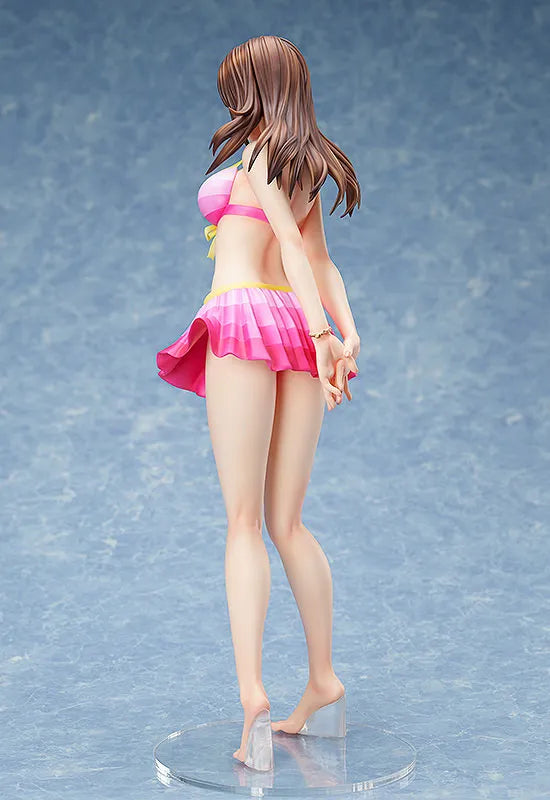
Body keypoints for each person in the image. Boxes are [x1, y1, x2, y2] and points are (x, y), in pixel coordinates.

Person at [156, 34, 361, 771]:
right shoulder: (309, 160)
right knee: (288, 522)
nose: (232, 100)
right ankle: (324, 683)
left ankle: (253, 701)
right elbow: (317, 258)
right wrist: (342, 331)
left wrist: (327, 334)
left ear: (258, 87)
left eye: (238, 86)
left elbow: (290, 244)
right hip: (294, 329)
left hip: (247, 317)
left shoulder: (261, 154)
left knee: (244, 521)